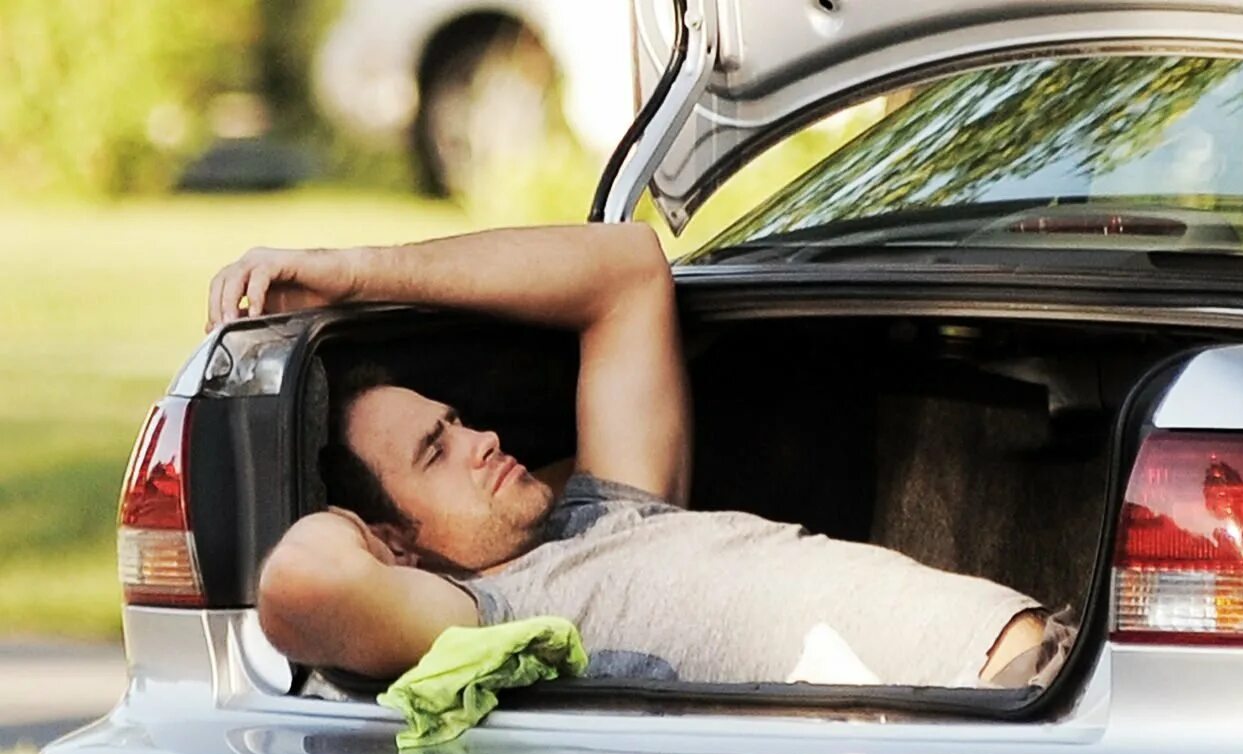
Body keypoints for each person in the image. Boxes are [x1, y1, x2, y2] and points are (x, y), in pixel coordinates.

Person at [208, 224, 1063, 686]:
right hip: (1000, 721)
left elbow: (626, 270)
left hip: (1043, 668)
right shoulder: (497, 622)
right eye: (437, 452)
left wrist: (350, 273)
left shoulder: (606, 508)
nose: (484, 440)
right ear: (392, 539)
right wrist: (357, 537)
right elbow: (303, 587)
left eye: (459, 419)